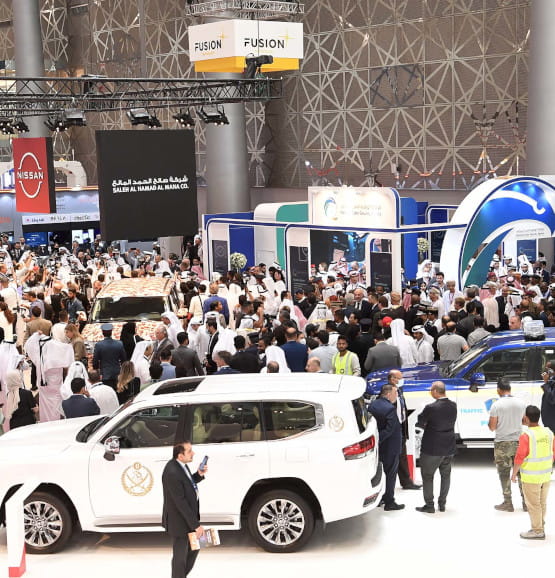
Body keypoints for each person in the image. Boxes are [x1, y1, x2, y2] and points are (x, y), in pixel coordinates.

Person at [162, 442, 208, 578]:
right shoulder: (172, 472)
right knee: (180, 558)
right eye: (189, 451)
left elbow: (187, 483)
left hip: (188, 519)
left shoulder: (181, 465)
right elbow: (180, 503)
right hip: (180, 522)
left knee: (195, 548)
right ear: (180, 455)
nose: (193, 453)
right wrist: (196, 526)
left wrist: (198, 475)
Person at [511, 405, 555, 540]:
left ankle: (537, 531)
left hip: (531, 477)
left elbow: (519, 457)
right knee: (542, 503)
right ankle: (540, 525)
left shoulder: (526, 435)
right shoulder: (548, 432)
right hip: (546, 475)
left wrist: (514, 473)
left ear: (526, 418)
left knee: (533, 504)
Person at [415, 381, 458, 513]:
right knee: (446, 476)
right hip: (449, 446)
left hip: (432, 448)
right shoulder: (453, 405)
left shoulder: (431, 407)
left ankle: (429, 505)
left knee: (427, 476)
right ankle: (442, 504)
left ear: (435, 391)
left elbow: (420, 422)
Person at [488, 377, 526, 512]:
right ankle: (526, 503)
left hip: (502, 443)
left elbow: (492, 427)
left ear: (499, 390)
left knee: (504, 473)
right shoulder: (521, 403)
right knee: (522, 473)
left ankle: (508, 503)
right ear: (510, 389)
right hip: (519, 442)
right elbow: (525, 421)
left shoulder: (496, 405)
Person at [368, 384, 404, 511]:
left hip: (380, 448)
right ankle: (389, 501)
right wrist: (378, 439)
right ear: (388, 394)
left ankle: (380, 498)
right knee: (391, 474)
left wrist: (376, 441)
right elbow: (390, 429)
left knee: (379, 473)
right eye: (395, 393)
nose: (396, 395)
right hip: (391, 447)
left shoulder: (373, 405)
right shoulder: (389, 408)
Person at [387, 370, 421, 490]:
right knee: (393, 459)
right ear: (392, 379)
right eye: (399, 378)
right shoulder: (389, 392)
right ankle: (389, 487)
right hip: (393, 431)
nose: (402, 380)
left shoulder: (399, 391)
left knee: (402, 456)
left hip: (401, 428)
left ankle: (406, 482)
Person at [92, 323, 126, 388]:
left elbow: (95, 362)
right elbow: (123, 360)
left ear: (102, 332)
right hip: (117, 373)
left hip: (105, 374)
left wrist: (97, 371)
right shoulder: (119, 344)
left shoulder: (99, 345)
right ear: (111, 332)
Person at [540, 366, 555, 435]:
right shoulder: (551, 382)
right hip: (550, 423)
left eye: (548, 369)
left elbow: (552, 399)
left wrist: (546, 383)